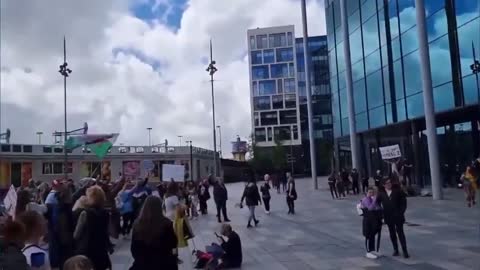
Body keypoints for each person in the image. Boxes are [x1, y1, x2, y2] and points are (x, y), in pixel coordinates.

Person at [130, 196, 178, 270]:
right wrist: (174, 258)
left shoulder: (138, 224)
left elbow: (134, 249)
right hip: (163, 264)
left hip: (143, 265)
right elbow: (173, 244)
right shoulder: (167, 224)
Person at [73, 186, 112, 270]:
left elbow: (76, 235)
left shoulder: (85, 213)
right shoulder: (106, 213)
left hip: (87, 250)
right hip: (101, 250)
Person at [45, 180, 75, 269]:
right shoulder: (62, 210)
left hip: (61, 242)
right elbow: (62, 228)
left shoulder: (61, 207)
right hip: (64, 243)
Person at [377, 179, 409, 258]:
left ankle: (405, 250)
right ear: (384, 185)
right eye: (387, 183)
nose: (389, 184)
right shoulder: (381, 193)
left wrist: (401, 212)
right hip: (388, 216)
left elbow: (403, 202)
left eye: (390, 182)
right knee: (392, 233)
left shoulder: (398, 191)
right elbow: (377, 204)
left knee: (400, 233)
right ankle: (396, 249)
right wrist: (381, 214)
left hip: (398, 215)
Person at [360, 187, 383, 259]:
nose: (371, 194)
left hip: (374, 220)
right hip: (368, 221)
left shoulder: (372, 199)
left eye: (372, 192)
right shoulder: (365, 199)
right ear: (366, 193)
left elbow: (378, 208)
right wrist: (374, 200)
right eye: (369, 192)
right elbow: (370, 208)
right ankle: (368, 251)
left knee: (372, 235)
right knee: (369, 235)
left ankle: (372, 249)